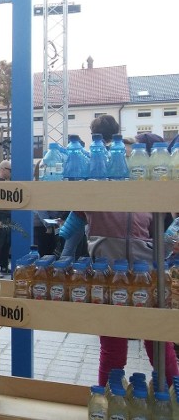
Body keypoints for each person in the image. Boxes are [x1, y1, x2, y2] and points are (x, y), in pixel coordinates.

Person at [58, 115, 179, 386]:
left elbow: (76, 215)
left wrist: (64, 237)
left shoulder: (100, 171)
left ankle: (117, 396)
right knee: (150, 341)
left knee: (138, 343)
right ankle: (149, 396)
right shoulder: (129, 174)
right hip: (130, 272)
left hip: (124, 272)